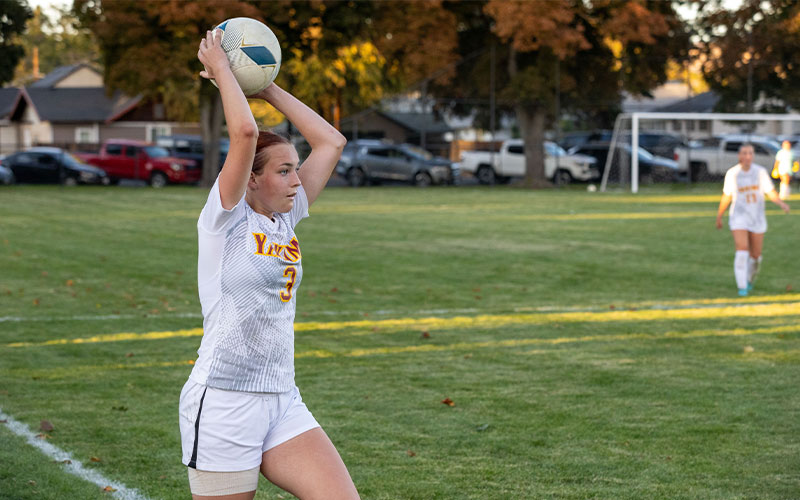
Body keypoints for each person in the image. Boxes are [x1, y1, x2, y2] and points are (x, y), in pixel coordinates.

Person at [178, 29, 358, 500]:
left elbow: (331, 142)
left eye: (295, 169)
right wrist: (221, 70)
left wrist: (265, 85)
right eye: (283, 171)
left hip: (282, 398)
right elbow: (244, 133)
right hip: (224, 400)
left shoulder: (286, 218)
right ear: (250, 179)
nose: (297, 180)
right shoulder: (224, 220)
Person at [716, 143, 789, 297]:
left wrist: (781, 203)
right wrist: (719, 215)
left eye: (750, 153)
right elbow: (727, 195)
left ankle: (748, 280)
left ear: (753, 156)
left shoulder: (760, 172)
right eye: (744, 153)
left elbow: (770, 192)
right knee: (742, 250)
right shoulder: (732, 173)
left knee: (756, 256)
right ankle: (741, 287)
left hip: (757, 218)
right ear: (739, 156)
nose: (747, 156)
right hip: (738, 217)